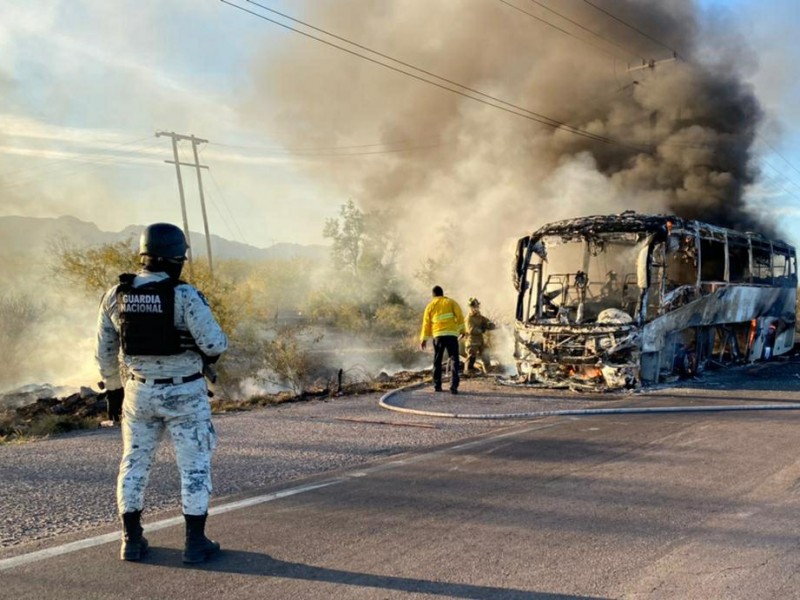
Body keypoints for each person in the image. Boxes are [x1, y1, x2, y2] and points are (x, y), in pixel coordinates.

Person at [95, 223, 228, 564]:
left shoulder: (116, 295)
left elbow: (104, 351)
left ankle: (131, 541)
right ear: (177, 258)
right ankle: (195, 544)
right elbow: (215, 344)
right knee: (194, 468)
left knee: (134, 464)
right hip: (185, 393)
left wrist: (113, 390)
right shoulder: (184, 296)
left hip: (139, 393)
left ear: (143, 255)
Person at [419, 285, 464, 394]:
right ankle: (454, 386)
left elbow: (426, 324)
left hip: (438, 336)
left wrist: (423, 339)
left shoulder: (430, 306)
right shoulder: (451, 302)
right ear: (442, 294)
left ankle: (437, 385)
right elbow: (460, 316)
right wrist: (462, 331)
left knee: (437, 360)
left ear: (433, 295)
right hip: (451, 335)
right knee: (454, 359)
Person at [463, 297, 495, 375]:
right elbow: (471, 330)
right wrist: (482, 329)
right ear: (470, 307)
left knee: (485, 354)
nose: (476, 308)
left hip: (480, 340)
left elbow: (485, 321)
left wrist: (490, 324)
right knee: (471, 356)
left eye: (477, 306)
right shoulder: (469, 318)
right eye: (474, 306)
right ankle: (468, 371)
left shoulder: (479, 316)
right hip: (471, 341)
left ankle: (488, 371)